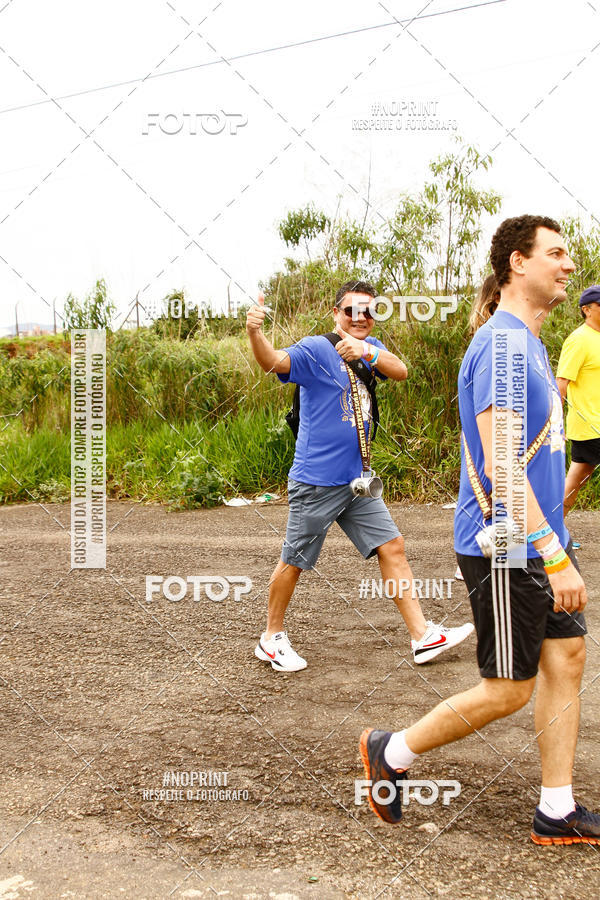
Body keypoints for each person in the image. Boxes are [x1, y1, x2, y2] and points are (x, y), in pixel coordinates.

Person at [361, 216, 600, 845]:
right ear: (518, 262)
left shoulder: (530, 343)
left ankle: (556, 809)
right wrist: (554, 557)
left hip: (539, 538)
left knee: (567, 657)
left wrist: (556, 543)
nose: (568, 265)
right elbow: (502, 468)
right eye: (556, 253)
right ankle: (392, 751)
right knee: (507, 689)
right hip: (509, 547)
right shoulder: (503, 348)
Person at [245, 279, 474, 672]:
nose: (360, 317)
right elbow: (273, 362)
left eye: (369, 311)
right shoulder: (316, 348)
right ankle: (271, 638)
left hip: (356, 482)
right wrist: (255, 332)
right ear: (336, 313)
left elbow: (400, 371)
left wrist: (367, 351)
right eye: (351, 310)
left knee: (392, 546)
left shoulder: (371, 349)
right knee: (294, 560)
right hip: (317, 481)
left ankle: (421, 636)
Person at [556, 285, 600, 522]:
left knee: (575, 482)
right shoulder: (579, 340)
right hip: (590, 425)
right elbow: (561, 382)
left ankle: (549, 530)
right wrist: (555, 424)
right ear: (586, 310)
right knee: (575, 481)